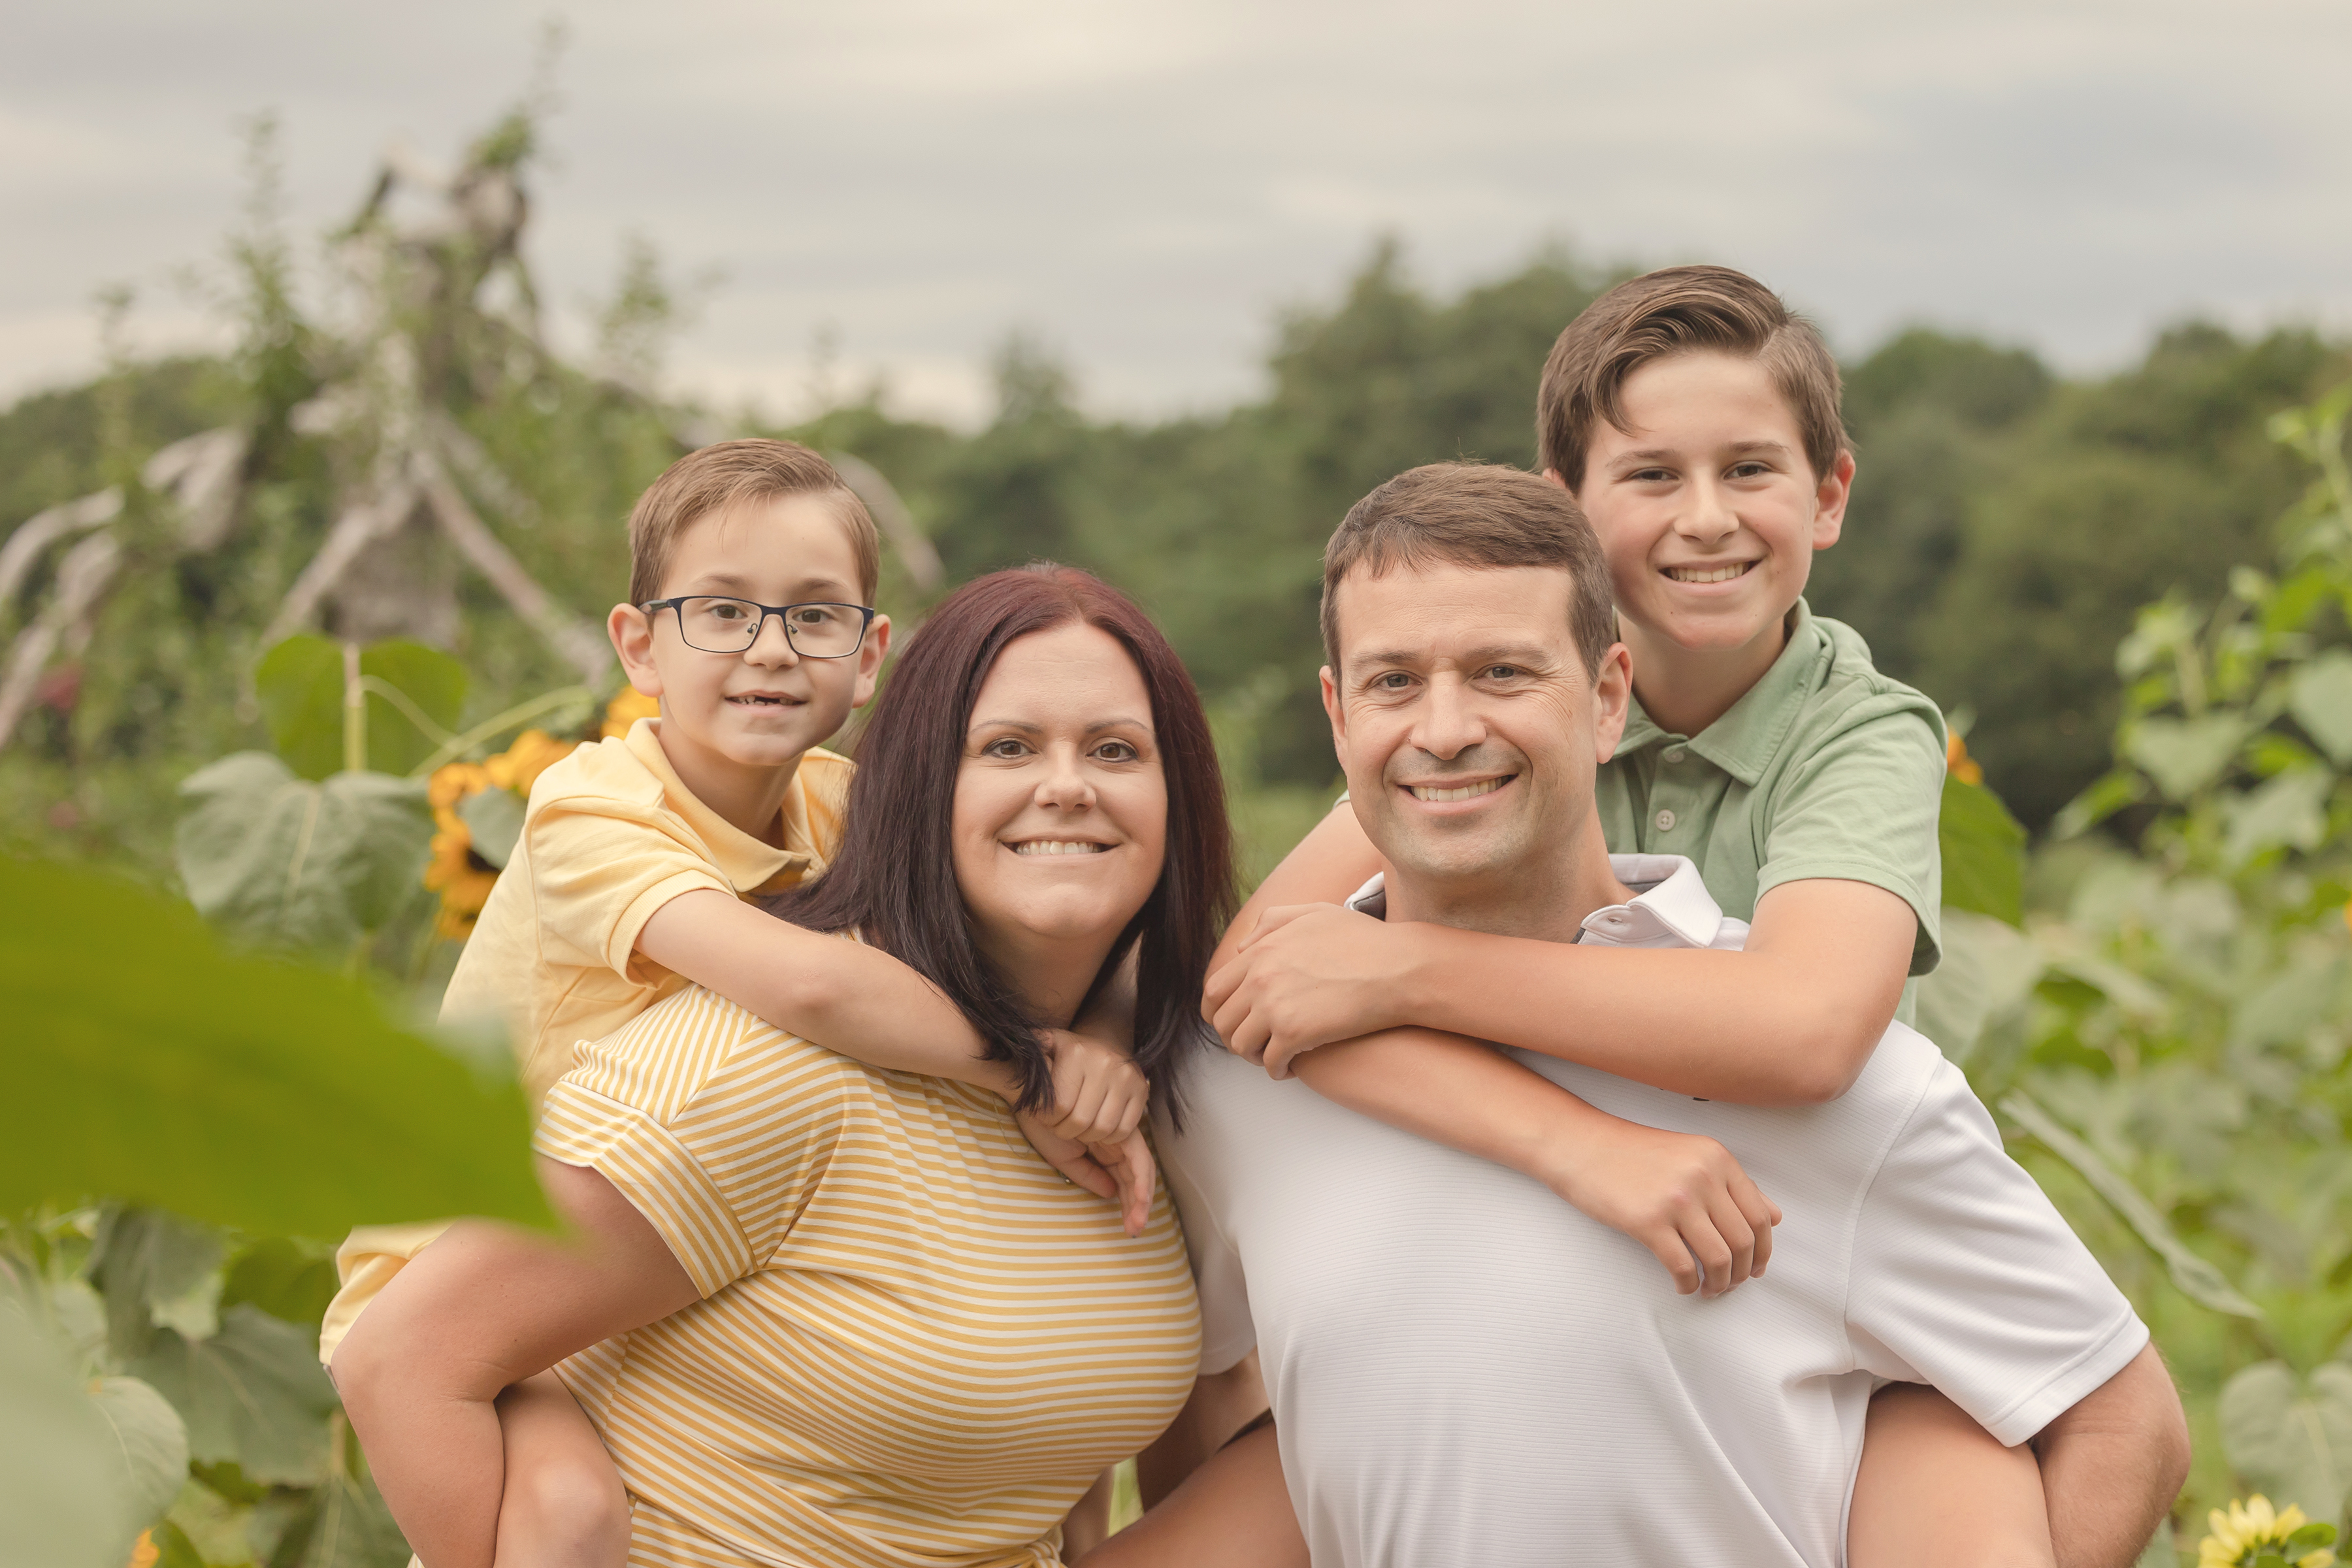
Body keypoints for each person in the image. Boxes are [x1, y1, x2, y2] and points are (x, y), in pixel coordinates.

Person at [1117, 463, 2189, 1568]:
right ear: (1338, 714)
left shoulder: (1851, 1098)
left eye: (1502, 673)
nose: (1444, 730)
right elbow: (1203, 1385)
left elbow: (2118, 1417)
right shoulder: (1239, 1081)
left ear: (1608, 697)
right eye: (1394, 682)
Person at [320, 446, 1155, 1566]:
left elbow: (1072, 934)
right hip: (447, 1269)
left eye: (813, 618)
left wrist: (1094, 1038)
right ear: (638, 647)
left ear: (868, 660)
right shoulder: (591, 814)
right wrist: (1030, 1074)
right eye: (721, 611)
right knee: (566, 1521)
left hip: (616, 1244)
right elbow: (809, 985)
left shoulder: (839, 804)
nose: (768, 647)